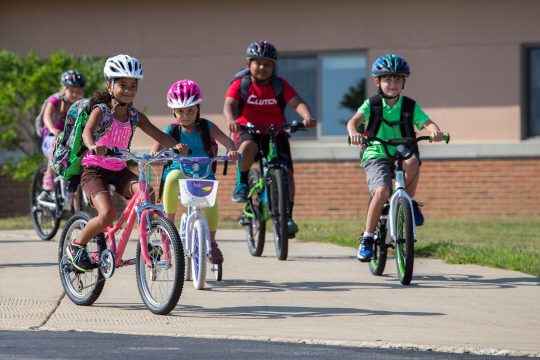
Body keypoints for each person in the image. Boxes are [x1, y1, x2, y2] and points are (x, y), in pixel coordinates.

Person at [66, 54, 188, 272]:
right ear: (109, 84)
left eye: (133, 85)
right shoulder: (101, 110)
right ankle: (77, 246)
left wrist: (175, 146)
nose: (128, 90)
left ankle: (147, 240)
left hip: (119, 170)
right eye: (122, 84)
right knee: (107, 215)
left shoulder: (134, 116)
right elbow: (88, 131)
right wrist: (93, 145)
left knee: (147, 194)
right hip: (94, 171)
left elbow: (159, 135)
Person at [347, 54, 444, 262]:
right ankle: (368, 237)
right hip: (376, 152)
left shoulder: (410, 106)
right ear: (378, 82)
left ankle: (409, 201)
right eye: (387, 79)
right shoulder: (372, 104)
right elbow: (354, 121)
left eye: (397, 79)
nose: (392, 83)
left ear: (404, 83)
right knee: (382, 191)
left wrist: (435, 131)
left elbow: (427, 123)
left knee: (413, 161)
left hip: (403, 150)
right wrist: (353, 132)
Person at [224, 40, 316, 236]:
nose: (263, 67)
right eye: (258, 63)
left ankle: (287, 216)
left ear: (274, 66)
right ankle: (242, 183)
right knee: (247, 146)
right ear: (249, 64)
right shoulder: (242, 83)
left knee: (287, 173)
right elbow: (229, 105)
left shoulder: (279, 85)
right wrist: (231, 120)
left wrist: (307, 117)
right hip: (248, 128)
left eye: (268, 64)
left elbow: (297, 102)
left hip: (276, 131)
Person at [150, 79, 239, 264]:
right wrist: (156, 154)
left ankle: (212, 244)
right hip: (179, 169)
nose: (186, 115)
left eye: (190, 109)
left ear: (198, 108)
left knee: (211, 203)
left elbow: (227, 140)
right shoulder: (172, 130)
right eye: (180, 111)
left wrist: (232, 150)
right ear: (173, 111)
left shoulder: (207, 127)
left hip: (204, 173)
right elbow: (156, 147)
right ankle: (169, 230)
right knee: (172, 178)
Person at [42, 70, 86, 191]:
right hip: (51, 138)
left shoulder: (81, 104)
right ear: (64, 89)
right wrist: (53, 130)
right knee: (58, 140)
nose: (74, 94)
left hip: (69, 140)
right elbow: (46, 117)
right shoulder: (55, 100)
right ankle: (49, 175)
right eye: (71, 90)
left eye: (78, 91)